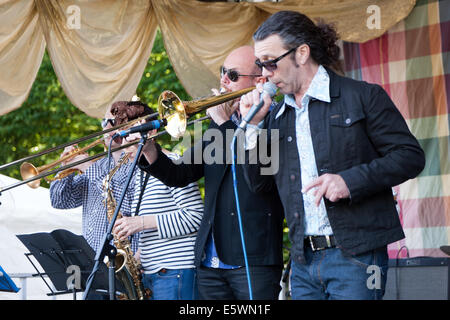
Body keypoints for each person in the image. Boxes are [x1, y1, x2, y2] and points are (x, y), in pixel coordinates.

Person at [238, 11, 426, 300]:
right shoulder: (275, 116)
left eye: (270, 63)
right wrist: (253, 128)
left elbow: (410, 156)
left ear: (302, 53)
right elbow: (259, 184)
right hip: (303, 260)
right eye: (260, 65)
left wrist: (349, 181)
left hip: (357, 255)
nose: (264, 74)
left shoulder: (363, 96)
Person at [138, 46, 285, 300]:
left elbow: (259, 178)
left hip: (252, 261)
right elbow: (178, 175)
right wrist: (149, 149)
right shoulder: (218, 128)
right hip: (210, 262)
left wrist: (223, 124)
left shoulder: (275, 120)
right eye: (222, 73)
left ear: (259, 81)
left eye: (233, 75)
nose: (223, 81)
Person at [111, 102, 204, 300]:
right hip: (155, 273)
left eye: (131, 136)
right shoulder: (141, 173)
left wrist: (140, 223)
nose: (126, 144)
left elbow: (196, 216)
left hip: (177, 271)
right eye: (123, 137)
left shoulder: (173, 162)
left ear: (149, 133)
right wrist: (135, 260)